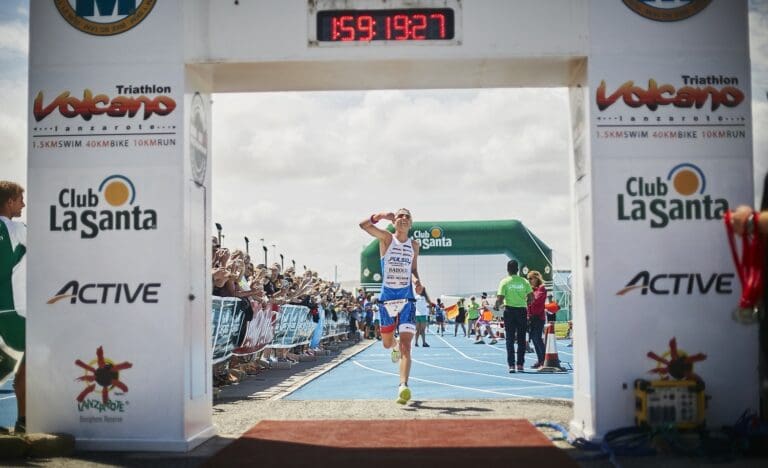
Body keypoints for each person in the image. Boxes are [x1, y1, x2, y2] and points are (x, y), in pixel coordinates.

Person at [360, 208, 423, 404]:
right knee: (388, 343)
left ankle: (403, 386)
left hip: (407, 299)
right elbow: (364, 225)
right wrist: (379, 216)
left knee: (407, 345)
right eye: (400, 216)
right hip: (387, 299)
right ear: (394, 222)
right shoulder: (387, 238)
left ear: (411, 223)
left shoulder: (414, 245)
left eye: (407, 216)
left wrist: (417, 282)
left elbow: (413, 269)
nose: (403, 218)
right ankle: (393, 344)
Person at [0, 181, 26, 433]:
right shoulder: (14, 228)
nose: (23, 204)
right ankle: (23, 420)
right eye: (20, 199)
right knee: (34, 352)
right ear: (9, 202)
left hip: (6, 309)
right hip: (10, 308)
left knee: (7, 362)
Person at [494, 260, 533, 373]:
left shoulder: (504, 282)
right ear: (518, 270)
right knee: (521, 339)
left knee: (509, 339)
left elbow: (500, 298)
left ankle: (511, 365)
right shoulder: (524, 281)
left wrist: (497, 307)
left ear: (508, 269)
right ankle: (520, 365)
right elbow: (531, 297)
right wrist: (526, 302)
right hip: (521, 311)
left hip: (509, 311)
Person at [526, 270, 547, 369]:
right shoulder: (531, 289)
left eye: (531, 278)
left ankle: (544, 360)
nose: (529, 280)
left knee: (537, 338)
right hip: (531, 317)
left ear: (536, 278)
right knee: (534, 339)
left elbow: (536, 300)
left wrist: (528, 298)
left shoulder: (541, 288)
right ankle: (540, 360)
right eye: (528, 279)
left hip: (539, 317)